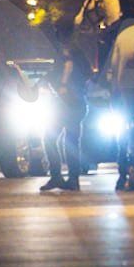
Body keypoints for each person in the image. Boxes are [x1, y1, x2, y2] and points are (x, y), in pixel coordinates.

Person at [40, 16, 91, 192]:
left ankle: (57, 176)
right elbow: (88, 73)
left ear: (59, 32)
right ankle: (73, 179)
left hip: (64, 102)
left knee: (50, 138)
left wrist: (60, 84)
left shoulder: (65, 52)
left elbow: (59, 72)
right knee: (71, 140)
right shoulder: (76, 51)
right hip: (77, 102)